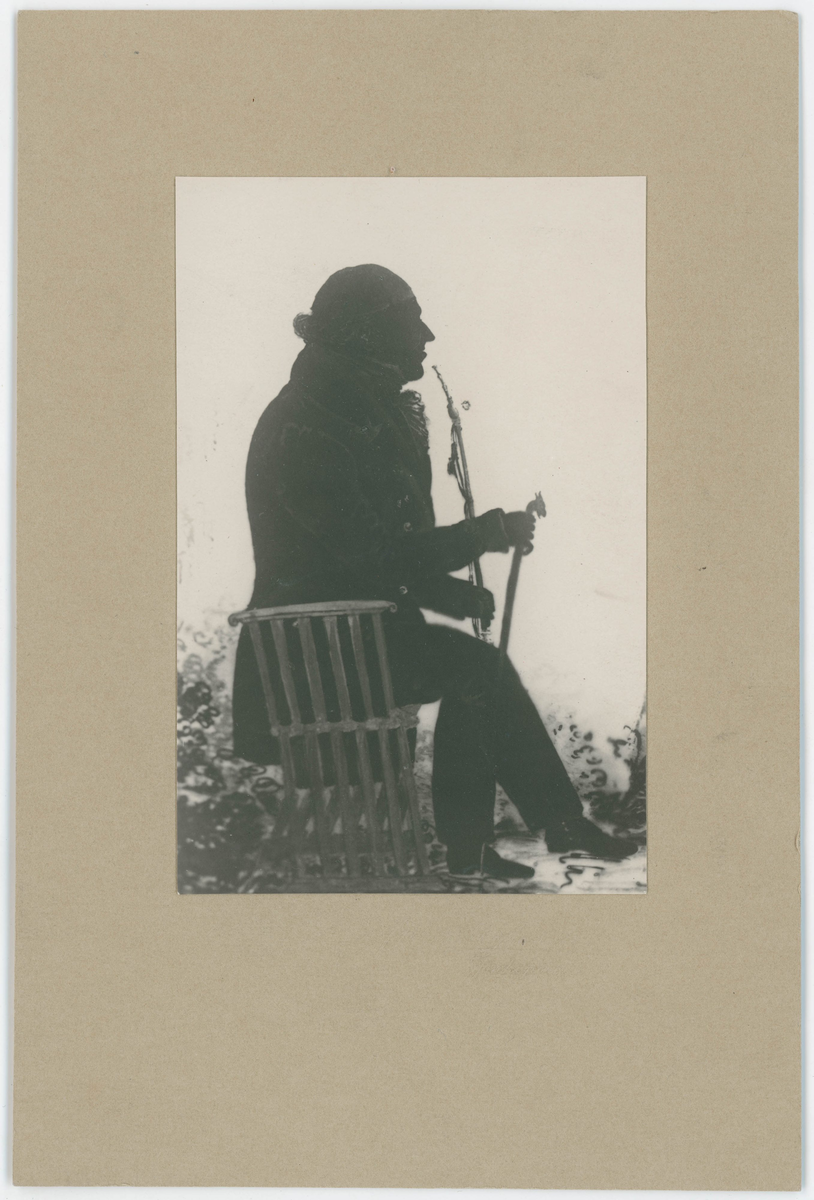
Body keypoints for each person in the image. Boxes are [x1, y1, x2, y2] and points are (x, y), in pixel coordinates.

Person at [232, 264, 637, 879]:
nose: (426, 335)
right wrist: (483, 534)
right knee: (478, 671)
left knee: (475, 673)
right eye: (409, 320)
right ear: (366, 334)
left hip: (352, 642)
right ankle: (540, 826)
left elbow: (367, 556)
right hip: (312, 659)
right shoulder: (307, 426)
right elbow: (371, 556)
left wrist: (450, 594)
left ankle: (477, 848)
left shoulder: (347, 411)